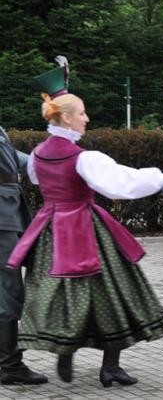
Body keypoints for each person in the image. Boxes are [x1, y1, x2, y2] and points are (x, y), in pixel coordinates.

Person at [5, 61, 163, 387]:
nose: (87, 118)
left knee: (59, 294)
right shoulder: (83, 158)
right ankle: (110, 367)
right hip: (84, 230)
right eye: (82, 113)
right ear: (67, 118)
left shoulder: (37, 154)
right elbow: (121, 182)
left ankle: (66, 349)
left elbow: (37, 180)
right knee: (115, 291)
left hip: (50, 233)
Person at [0, 126, 48, 385]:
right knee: (8, 294)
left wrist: (62, 160)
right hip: (2, 220)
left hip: (9, 215)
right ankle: (9, 365)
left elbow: (20, 160)